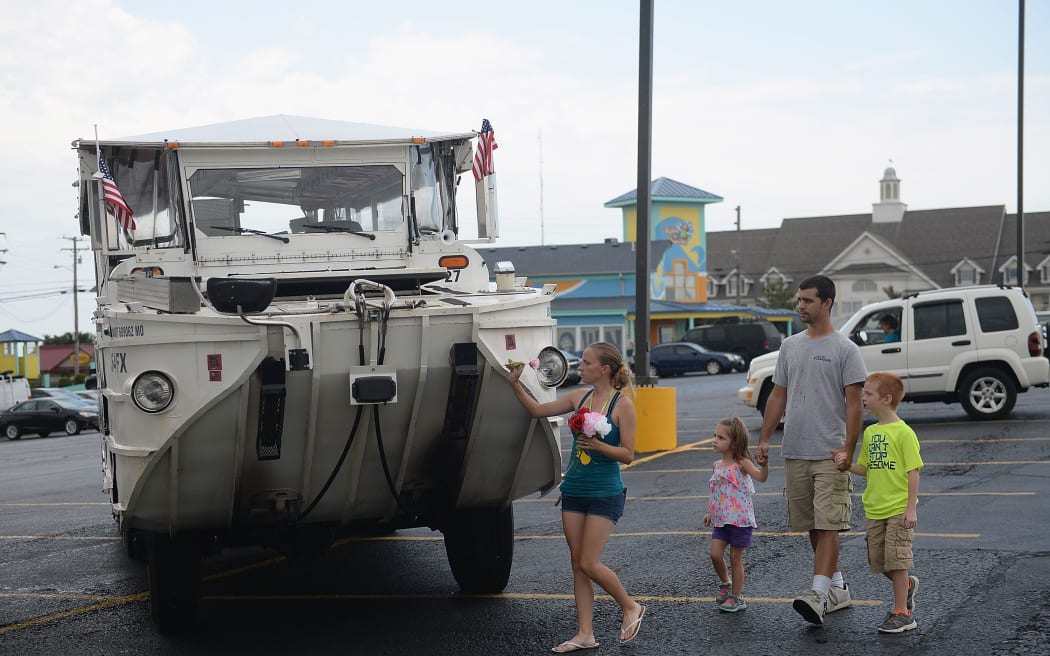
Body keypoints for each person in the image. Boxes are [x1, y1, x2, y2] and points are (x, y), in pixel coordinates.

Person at [508, 342, 646, 652]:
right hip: (574, 492)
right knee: (576, 563)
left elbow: (628, 455)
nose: (579, 367)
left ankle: (630, 606)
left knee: (588, 561)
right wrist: (515, 383)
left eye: (585, 363)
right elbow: (535, 411)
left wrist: (599, 446)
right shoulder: (578, 397)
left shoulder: (622, 405)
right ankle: (585, 633)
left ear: (604, 369)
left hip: (604, 493)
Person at [755, 275, 867, 625]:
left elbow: (854, 405)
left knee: (830, 522)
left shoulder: (845, 350)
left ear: (827, 303)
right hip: (797, 449)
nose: (800, 306)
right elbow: (778, 395)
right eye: (799, 300)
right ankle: (838, 587)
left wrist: (849, 447)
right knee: (813, 525)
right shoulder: (790, 346)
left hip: (830, 451)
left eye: (807, 300)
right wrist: (765, 438)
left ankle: (817, 594)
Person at [836, 372, 923, 633]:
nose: (863, 398)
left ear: (886, 399)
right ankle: (906, 586)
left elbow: (913, 471)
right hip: (874, 508)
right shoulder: (871, 431)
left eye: (868, 394)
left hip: (898, 509)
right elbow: (867, 467)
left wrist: (911, 508)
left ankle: (902, 613)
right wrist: (847, 465)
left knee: (897, 561)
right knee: (879, 561)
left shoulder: (904, 433)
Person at [702, 416, 769, 613]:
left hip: (740, 521)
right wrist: (711, 513)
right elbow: (718, 493)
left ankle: (737, 597)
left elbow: (761, 478)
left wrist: (764, 465)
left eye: (721, 437)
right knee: (715, 554)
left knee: (735, 558)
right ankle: (725, 583)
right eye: (715, 436)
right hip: (721, 520)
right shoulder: (717, 465)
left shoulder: (742, 464)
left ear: (734, 443)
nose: (715, 440)